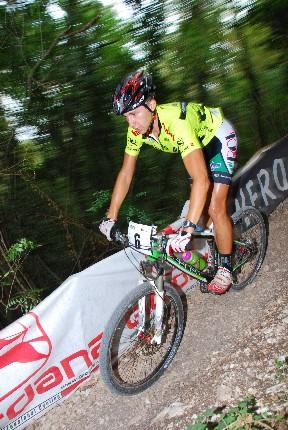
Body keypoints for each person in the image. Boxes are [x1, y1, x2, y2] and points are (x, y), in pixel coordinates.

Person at [99, 70, 238, 295]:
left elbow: (201, 179)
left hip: (217, 136)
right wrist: (111, 215)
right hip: (196, 142)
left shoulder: (176, 123)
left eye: (134, 114)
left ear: (152, 105)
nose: (131, 122)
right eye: (126, 117)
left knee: (215, 206)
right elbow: (126, 173)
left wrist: (187, 230)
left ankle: (225, 267)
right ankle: (214, 244)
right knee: (200, 211)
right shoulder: (135, 132)